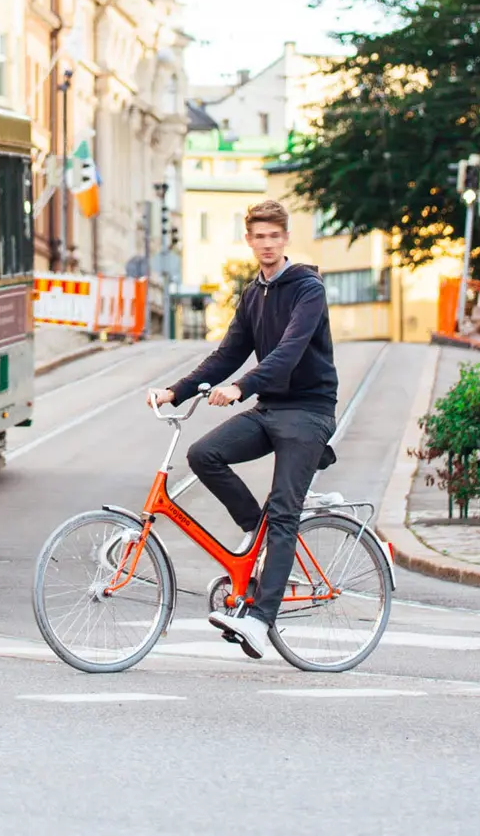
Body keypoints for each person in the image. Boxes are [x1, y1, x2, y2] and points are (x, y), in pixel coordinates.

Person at [148, 198, 337, 661]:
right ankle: (261, 535)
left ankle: (259, 619)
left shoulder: (307, 289)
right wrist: (177, 391)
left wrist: (241, 388)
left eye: (275, 236)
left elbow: (290, 351)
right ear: (249, 240)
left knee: (286, 511)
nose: (268, 244)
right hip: (271, 409)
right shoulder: (254, 294)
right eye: (260, 236)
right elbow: (227, 353)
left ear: (285, 238)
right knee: (203, 454)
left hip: (309, 411)